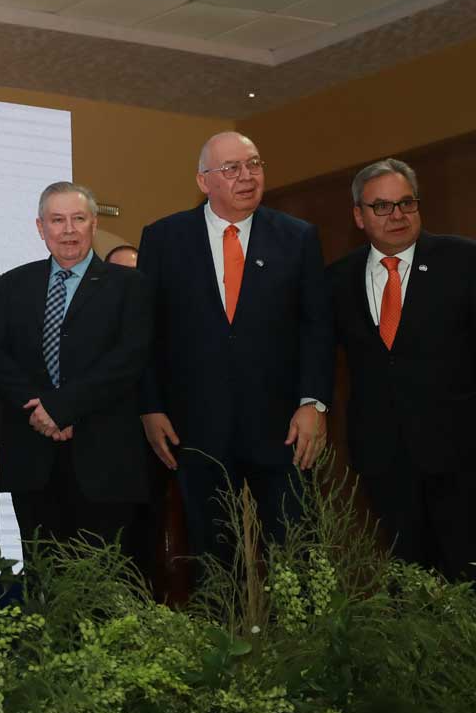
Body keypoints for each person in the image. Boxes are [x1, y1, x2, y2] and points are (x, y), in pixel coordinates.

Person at [138, 132, 333, 564]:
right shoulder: (164, 238)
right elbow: (147, 332)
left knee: (297, 558)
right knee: (214, 564)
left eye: (254, 164)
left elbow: (317, 328)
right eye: (232, 168)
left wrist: (314, 403)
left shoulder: (297, 237)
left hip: (282, 429)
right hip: (196, 429)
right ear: (203, 181)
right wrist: (150, 407)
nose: (247, 176)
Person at [329, 158, 476, 582]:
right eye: (382, 206)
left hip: (460, 454)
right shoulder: (337, 280)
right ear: (359, 216)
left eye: (406, 203)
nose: (397, 215)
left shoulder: (464, 260)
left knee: (466, 574)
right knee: (407, 582)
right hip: (383, 456)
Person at [0, 182, 153, 553]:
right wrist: (39, 408)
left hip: (104, 458)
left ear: (94, 224)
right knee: (42, 574)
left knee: (102, 576)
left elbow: (127, 360)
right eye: (57, 220)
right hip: (33, 456)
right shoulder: (13, 284)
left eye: (78, 219)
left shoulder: (129, 285)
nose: (68, 229)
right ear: (40, 227)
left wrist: (62, 408)